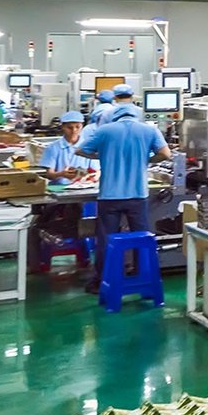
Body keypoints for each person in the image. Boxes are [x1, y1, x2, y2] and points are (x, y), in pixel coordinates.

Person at [76, 102, 172, 291]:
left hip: (110, 196)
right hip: (137, 195)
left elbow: (80, 150)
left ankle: (102, 281)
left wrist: (103, 155)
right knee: (141, 238)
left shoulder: (105, 131)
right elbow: (165, 154)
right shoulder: (148, 130)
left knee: (106, 239)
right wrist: (146, 158)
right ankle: (143, 276)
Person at [37, 112, 98, 184]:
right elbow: (50, 175)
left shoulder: (89, 146)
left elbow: (96, 171)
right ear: (63, 127)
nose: (74, 130)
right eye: (69, 127)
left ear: (82, 126)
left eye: (77, 127)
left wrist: (89, 177)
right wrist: (61, 174)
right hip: (59, 188)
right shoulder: (53, 148)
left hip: (84, 187)